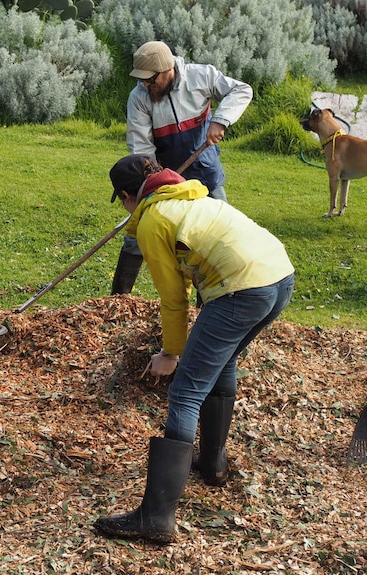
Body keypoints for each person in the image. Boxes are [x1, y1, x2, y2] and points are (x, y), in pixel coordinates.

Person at [94, 154, 295, 544]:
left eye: (120, 200)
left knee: (186, 390)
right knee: (221, 363)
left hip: (242, 288)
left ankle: (155, 518)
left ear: (125, 195)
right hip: (279, 276)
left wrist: (170, 353)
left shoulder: (153, 220)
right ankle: (212, 464)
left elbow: (173, 299)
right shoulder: (190, 197)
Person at [112, 40, 253, 295]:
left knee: (219, 237)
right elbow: (142, 148)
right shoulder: (139, 98)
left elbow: (242, 90)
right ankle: (117, 300)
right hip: (164, 178)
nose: (145, 84)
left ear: (168, 70)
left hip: (206, 174)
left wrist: (220, 121)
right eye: (141, 79)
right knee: (135, 238)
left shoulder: (202, 76)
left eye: (150, 79)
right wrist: (157, 182)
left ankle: (210, 304)